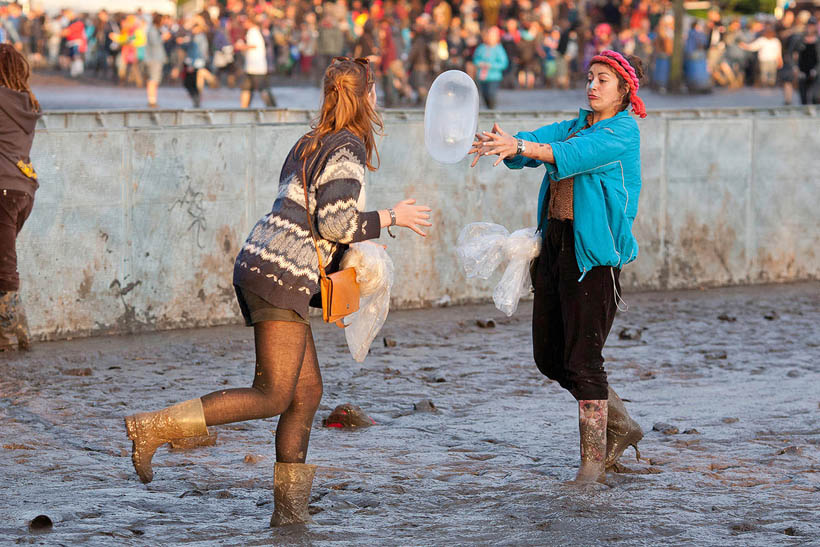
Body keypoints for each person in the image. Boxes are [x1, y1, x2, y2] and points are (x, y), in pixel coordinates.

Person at [124, 57, 433, 526]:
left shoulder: (311, 141)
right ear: (367, 96)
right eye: (375, 92)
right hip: (279, 274)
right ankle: (153, 428)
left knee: (306, 393)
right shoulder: (347, 146)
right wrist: (392, 218)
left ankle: (289, 513)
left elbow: (301, 210)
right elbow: (336, 222)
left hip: (264, 263)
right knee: (271, 394)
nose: (377, 100)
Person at [469, 50, 645, 484]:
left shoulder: (622, 132)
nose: (592, 85)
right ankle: (620, 423)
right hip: (553, 247)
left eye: (603, 79)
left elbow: (569, 154)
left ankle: (591, 466)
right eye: (590, 77)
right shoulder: (574, 124)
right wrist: (506, 144)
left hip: (593, 257)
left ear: (625, 91)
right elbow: (535, 144)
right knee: (549, 359)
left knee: (584, 361)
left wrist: (524, 146)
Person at [0, 44, 40, 352]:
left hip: (2, 190)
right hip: (23, 190)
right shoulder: (27, 102)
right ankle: (20, 332)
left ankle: (8, 334)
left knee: (5, 265)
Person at [237, 15, 276, 108]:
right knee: (246, 88)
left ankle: (272, 107)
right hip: (253, 67)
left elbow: (254, 45)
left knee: (262, 89)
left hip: (256, 66)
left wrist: (241, 46)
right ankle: (244, 108)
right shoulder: (257, 30)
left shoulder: (253, 31)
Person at [473, 26, 509, 109]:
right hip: (482, 77)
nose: (490, 38)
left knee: (491, 94)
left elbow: (503, 63)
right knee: (484, 94)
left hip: (494, 77)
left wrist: (491, 65)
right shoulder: (481, 48)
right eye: (489, 36)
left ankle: (492, 109)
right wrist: (479, 63)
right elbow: (475, 59)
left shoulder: (499, 49)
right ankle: (488, 108)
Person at [144, 13, 167, 108]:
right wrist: (163, 38)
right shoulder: (153, 30)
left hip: (154, 58)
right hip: (154, 58)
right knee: (153, 79)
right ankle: (152, 100)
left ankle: (153, 99)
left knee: (154, 79)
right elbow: (155, 43)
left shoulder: (154, 29)